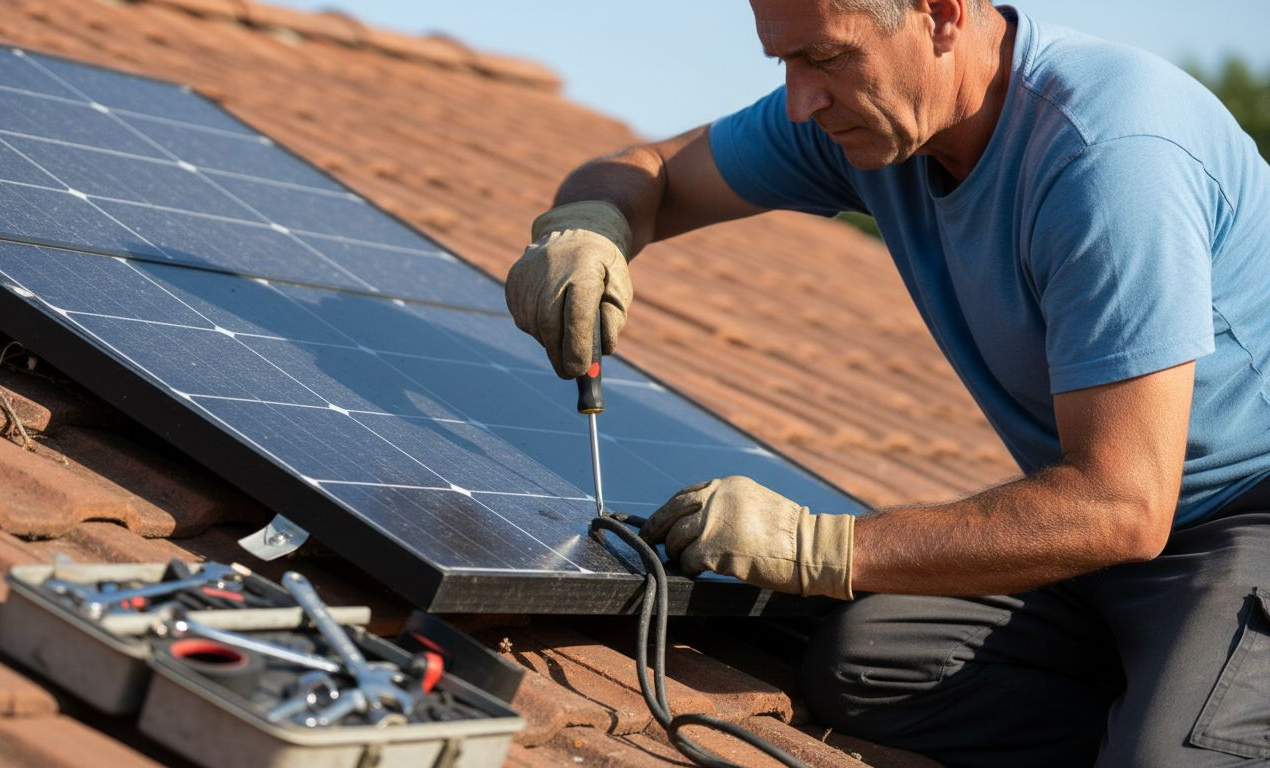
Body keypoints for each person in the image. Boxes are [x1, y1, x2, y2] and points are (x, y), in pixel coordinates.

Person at [505, 1, 1270, 765]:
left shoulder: (1110, 155)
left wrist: (813, 545)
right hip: (1112, 539)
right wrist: (590, 224)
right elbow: (652, 169)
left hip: (1241, 520)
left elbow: (1121, 506)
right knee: (869, 667)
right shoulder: (874, 120)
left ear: (941, 16)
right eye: (786, 62)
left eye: (826, 58)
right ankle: (1163, 685)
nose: (800, 101)